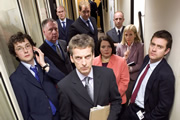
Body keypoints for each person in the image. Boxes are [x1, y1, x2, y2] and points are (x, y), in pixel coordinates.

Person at [57, 34, 122, 120]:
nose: (84, 63)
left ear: (93, 55)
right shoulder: (64, 86)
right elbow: (66, 118)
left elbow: (116, 101)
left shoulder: (107, 75)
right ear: (71, 58)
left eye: (87, 57)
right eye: (78, 58)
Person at [8, 32, 65, 120]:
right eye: (19, 49)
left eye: (27, 46)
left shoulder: (45, 61)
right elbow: (24, 110)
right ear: (15, 54)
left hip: (61, 114)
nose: (25, 51)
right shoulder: (15, 79)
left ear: (33, 47)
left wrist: (44, 65)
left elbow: (63, 81)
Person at [121, 30, 175, 120]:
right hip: (132, 107)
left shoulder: (166, 74)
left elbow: (164, 107)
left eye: (160, 47)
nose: (154, 49)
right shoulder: (147, 58)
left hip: (145, 114)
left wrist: (146, 118)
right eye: (153, 44)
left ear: (166, 51)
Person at [92, 35, 129, 116]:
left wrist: (111, 97)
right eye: (103, 46)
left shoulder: (121, 61)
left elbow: (124, 82)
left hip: (118, 102)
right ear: (99, 48)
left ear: (112, 47)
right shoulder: (93, 62)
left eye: (109, 46)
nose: (106, 49)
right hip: (99, 104)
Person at [116, 24, 144, 103]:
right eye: (126, 35)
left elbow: (140, 64)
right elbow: (116, 63)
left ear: (135, 35)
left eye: (131, 34)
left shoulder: (140, 46)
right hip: (121, 76)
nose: (128, 37)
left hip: (132, 76)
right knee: (119, 97)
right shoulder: (119, 46)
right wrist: (124, 58)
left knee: (128, 98)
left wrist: (130, 69)